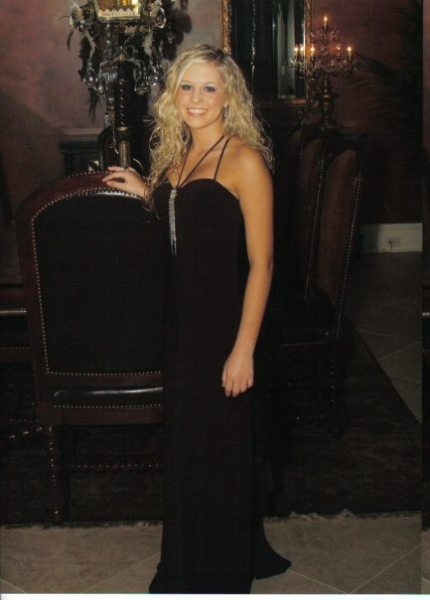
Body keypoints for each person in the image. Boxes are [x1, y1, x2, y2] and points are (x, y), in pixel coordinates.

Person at [103, 43, 290, 594]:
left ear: (229, 95)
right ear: (173, 95)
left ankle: (216, 573)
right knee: (189, 448)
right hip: (180, 325)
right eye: (186, 86)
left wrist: (243, 350)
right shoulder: (177, 155)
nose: (196, 98)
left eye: (209, 87)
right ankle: (199, 554)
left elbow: (263, 264)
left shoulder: (245, 160)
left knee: (218, 450)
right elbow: (185, 221)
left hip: (223, 328)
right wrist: (148, 191)